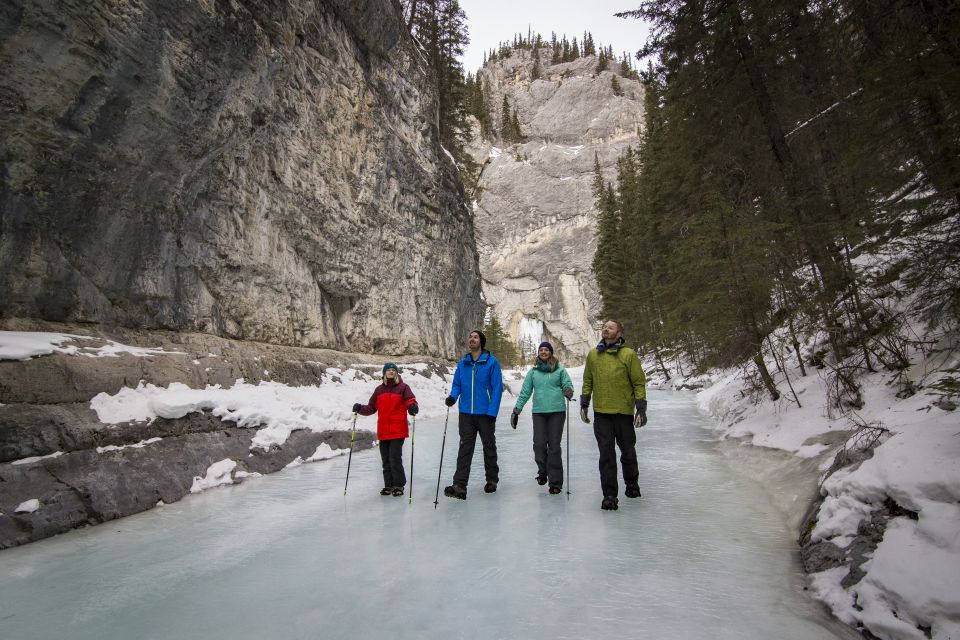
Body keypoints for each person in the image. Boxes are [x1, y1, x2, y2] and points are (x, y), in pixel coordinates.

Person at [580, 320, 647, 511]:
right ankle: (609, 495)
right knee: (606, 456)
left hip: (623, 412)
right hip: (601, 413)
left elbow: (638, 382)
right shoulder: (593, 355)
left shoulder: (628, 354)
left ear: (619, 333)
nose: (605, 329)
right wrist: (584, 403)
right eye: (604, 327)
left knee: (628, 452)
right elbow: (587, 380)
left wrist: (641, 408)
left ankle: (632, 484)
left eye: (610, 327)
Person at [443, 329, 504, 499]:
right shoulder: (463, 364)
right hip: (466, 414)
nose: (472, 339)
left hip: (485, 413)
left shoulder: (491, 362)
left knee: (489, 446)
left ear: (481, 341)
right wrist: (453, 397)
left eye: (475, 337)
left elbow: (497, 388)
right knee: (465, 448)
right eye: (470, 336)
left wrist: (492, 411)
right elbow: (457, 385)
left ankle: (492, 480)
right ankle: (459, 485)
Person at [511, 341, 574, 494]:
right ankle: (542, 472)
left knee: (554, 447)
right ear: (538, 353)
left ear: (551, 352)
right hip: (539, 412)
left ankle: (555, 482)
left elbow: (568, 384)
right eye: (541, 350)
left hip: (557, 411)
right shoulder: (533, 372)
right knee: (539, 444)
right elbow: (525, 392)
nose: (544, 352)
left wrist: (568, 390)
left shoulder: (560, 369)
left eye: (546, 349)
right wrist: (516, 410)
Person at [353, 363, 418, 497]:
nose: (391, 372)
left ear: (396, 373)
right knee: (386, 459)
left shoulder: (403, 388)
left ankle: (398, 485)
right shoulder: (379, 390)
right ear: (384, 373)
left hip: (398, 429)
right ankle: (388, 485)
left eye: (393, 370)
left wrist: (412, 407)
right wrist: (360, 408)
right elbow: (371, 408)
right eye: (388, 370)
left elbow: (410, 400)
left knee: (394, 457)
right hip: (383, 431)